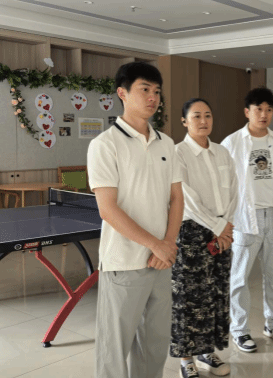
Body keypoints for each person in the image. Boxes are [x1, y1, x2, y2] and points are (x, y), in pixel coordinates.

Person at [88, 62, 184, 378]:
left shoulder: (166, 143)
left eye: (156, 91)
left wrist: (167, 244)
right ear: (123, 93)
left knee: (154, 346)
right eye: (144, 89)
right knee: (114, 350)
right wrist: (156, 244)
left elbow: (177, 198)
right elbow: (108, 209)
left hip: (160, 262)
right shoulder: (104, 145)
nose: (153, 97)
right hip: (124, 262)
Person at [221, 87, 273, 352]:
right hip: (244, 218)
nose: (264, 114)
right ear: (247, 112)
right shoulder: (232, 143)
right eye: (259, 109)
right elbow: (224, 184)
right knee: (240, 278)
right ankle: (239, 330)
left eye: (269, 109)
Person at [171, 98, 238, 378]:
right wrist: (218, 226)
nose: (203, 121)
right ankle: (186, 359)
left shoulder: (222, 152)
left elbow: (235, 189)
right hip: (191, 232)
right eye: (196, 116)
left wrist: (226, 226)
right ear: (184, 121)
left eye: (208, 115)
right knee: (190, 297)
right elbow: (186, 198)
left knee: (216, 294)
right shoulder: (178, 153)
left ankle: (206, 352)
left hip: (223, 231)